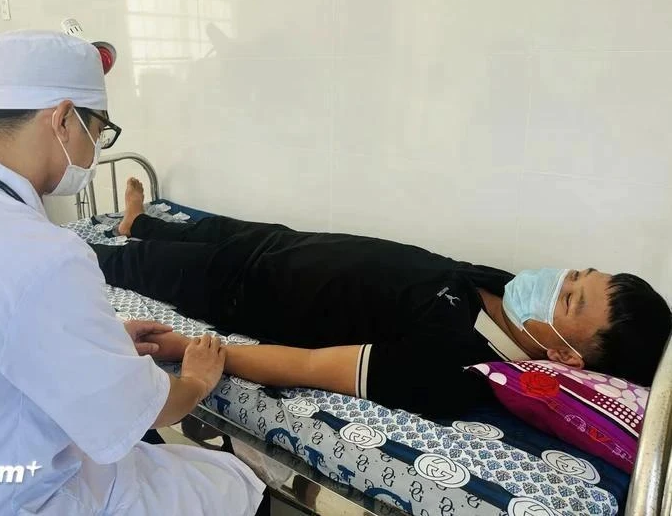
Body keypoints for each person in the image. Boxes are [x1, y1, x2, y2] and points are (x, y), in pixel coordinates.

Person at [0, 31, 264, 516]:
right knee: (234, 485)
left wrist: (98, 341)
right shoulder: (43, 254)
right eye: (99, 132)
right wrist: (195, 381)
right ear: (65, 120)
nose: (96, 152)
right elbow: (140, 409)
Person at [91, 178, 671, 417]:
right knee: (193, 232)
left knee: (127, 265)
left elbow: (310, 365)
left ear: (568, 356)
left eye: (569, 301)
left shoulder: (458, 367)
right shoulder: (509, 294)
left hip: (243, 291)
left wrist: (189, 350)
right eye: (576, 276)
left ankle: (115, 243)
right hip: (286, 244)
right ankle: (139, 222)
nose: (557, 281)